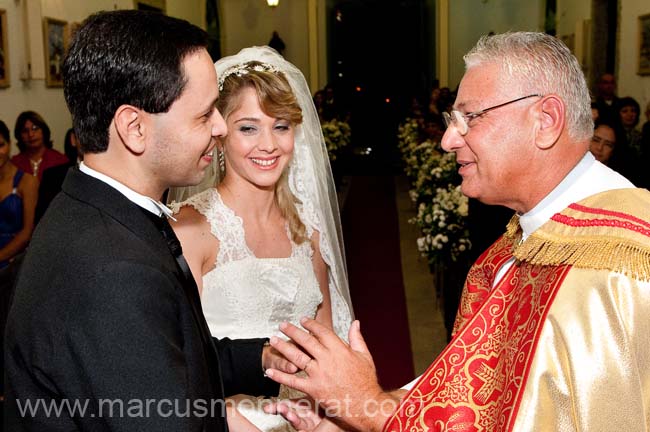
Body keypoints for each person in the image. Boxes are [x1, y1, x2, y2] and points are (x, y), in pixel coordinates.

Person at [264, 32, 650, 431]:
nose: (449, 139)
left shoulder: (615, 268)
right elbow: (475, 405)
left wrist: (370, 407)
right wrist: (353, 419)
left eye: (471, 117)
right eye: (452, 120)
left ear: (546, 121)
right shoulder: (528, 238)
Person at [5, 11, 295, 431]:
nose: (219, 127)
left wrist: (262, 357)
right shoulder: (114, 272)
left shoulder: (97, 207)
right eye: (204, 114)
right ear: (133, 128)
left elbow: (169, 356)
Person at [168, 46, 353, 431]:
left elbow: (329, 347)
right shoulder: (190, 231)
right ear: (219, 134)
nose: (268, 144)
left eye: (281, 125)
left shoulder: (308, 227)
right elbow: (178, 369)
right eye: (248, 127)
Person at [0, 120, 38, 269]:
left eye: (0, 145)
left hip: (13, 261)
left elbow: (27, 233)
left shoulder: (27, 181)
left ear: (9, 144)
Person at [34, 128, 81, 225]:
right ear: (73, 139)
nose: (94, 139)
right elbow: (42, 221)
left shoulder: (116, 175)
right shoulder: (52, 177)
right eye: (87, 132)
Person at [11, 111, 68, 180]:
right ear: (19, 136)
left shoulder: (60, 160)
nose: (30, 134)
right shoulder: (14, 163)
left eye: (35, 128)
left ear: (44, 130)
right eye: (25, 131)